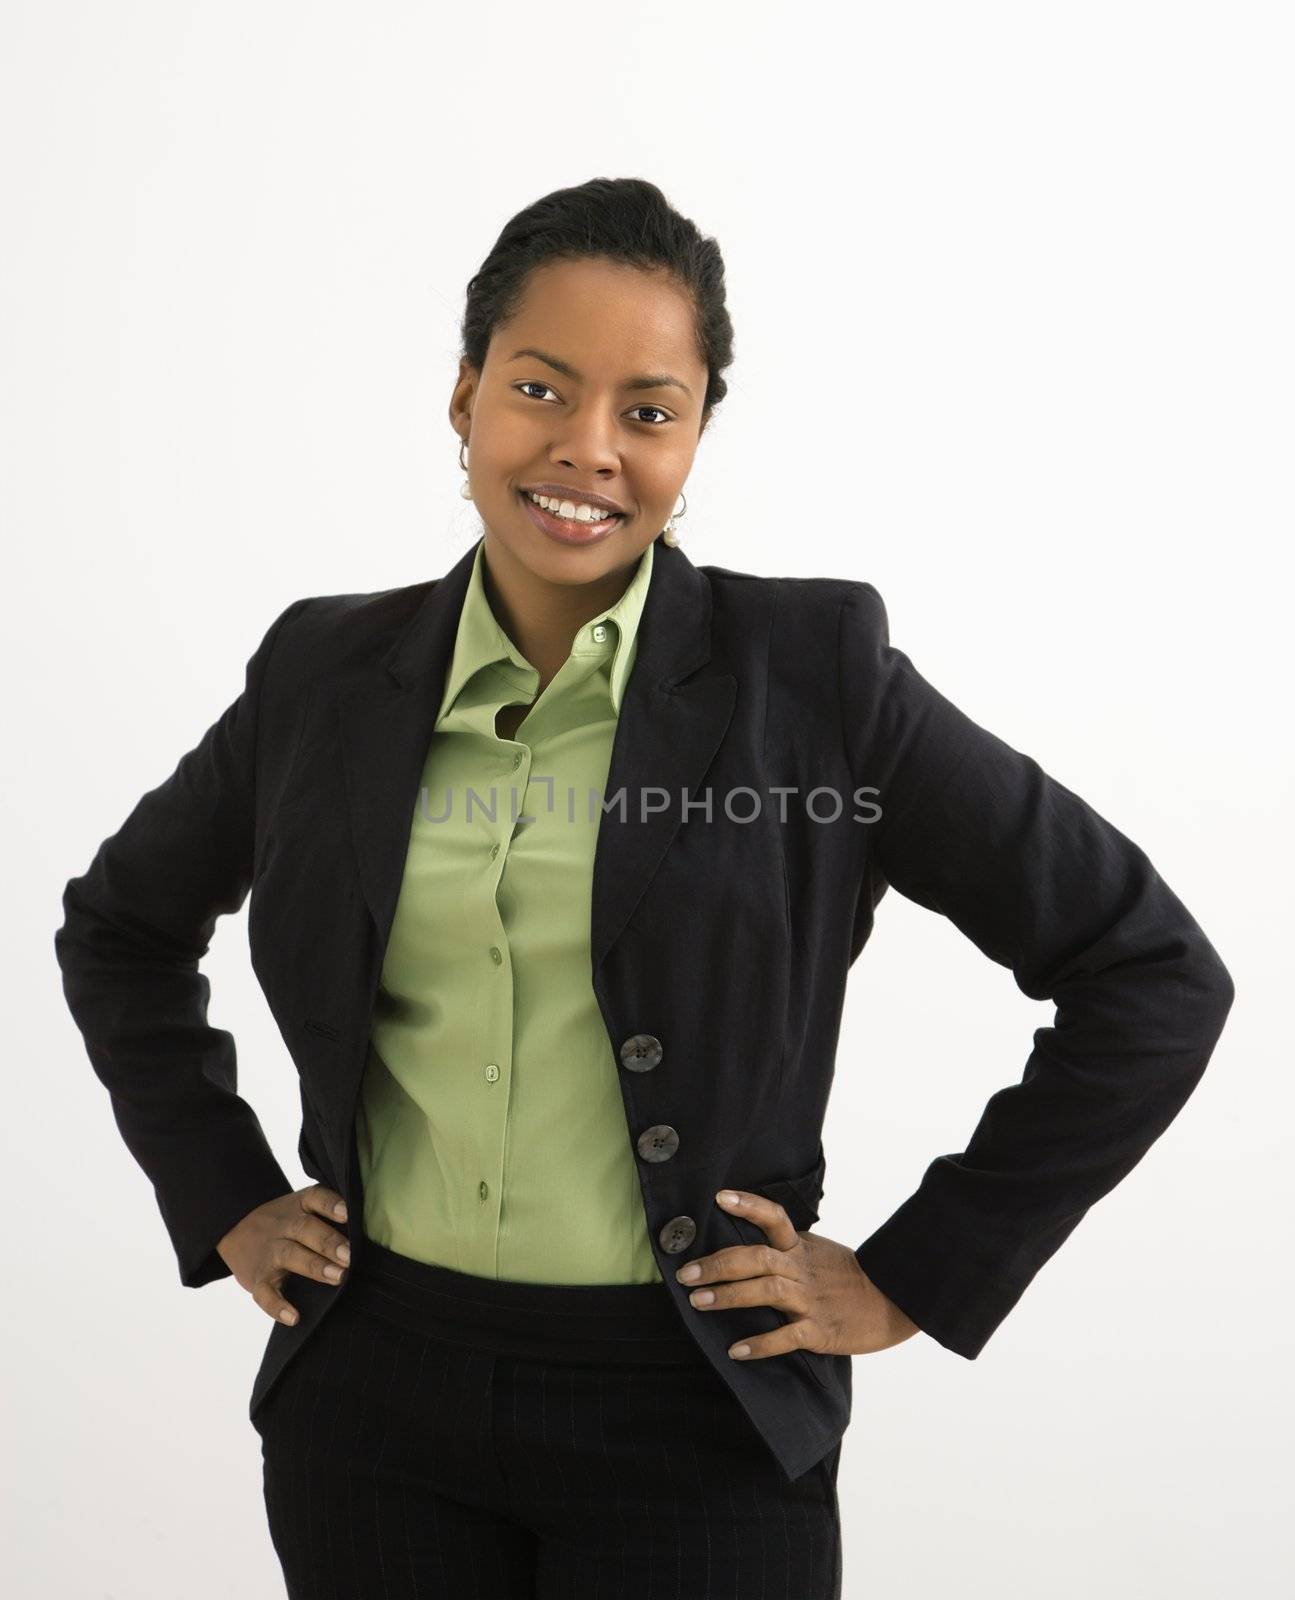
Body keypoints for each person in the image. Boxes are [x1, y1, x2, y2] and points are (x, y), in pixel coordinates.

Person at [54, 176, 1235, 1600]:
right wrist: (226, 1190)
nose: (588, 449)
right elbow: (121, 926)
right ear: (464, 402)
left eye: (649, 410)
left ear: (697, 438)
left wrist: (918, 1274)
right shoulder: (322, 675)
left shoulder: (816, 678)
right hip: (373, 1404)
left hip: (695, 1415)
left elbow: (1149, 970)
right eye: (541, 387)